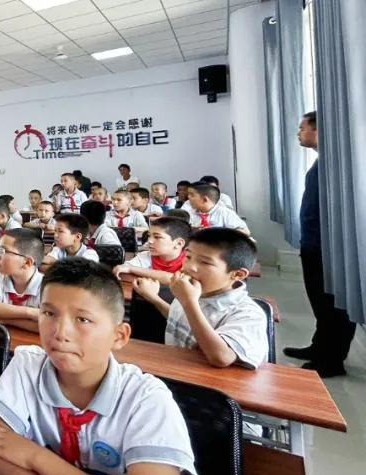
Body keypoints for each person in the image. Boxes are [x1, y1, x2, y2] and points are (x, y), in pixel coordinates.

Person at [0, 259, 196, 475]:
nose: (60, 332)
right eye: (49, 313)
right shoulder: (27, 366)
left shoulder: (147, 401)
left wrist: (35, 456)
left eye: (82, 319)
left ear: (119, 336)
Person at [133, 228, 268, 369]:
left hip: (216, 381)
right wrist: (153, 298)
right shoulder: (191, 293)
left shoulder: (249, 313)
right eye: (188, 257)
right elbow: (180, 318)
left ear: (238, 274)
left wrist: (189, 302)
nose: (190, 267)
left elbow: (222, 357)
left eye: (205, 262)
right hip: (179, 369)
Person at [284, 111, 354, 377]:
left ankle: (332, 360)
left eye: (302, 128)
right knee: (321, 303)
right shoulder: (322, 161)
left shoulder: (335, 163)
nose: (298, 133)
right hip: (315, 245)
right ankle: (319, 347)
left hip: (329, 248)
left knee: (333, 304)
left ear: (319, 129)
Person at [0, 228, 44, 332]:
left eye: (3, 251)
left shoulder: (47, 287)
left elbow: (47, 325)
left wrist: (3, 320)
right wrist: (30, 313)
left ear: (27, 262)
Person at [114, 217, 190, 285]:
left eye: (157, 237)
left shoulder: (190, 261)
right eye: (149, 235)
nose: (149, 241)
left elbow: (177, 281)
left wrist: (132, 269)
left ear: (179, 243)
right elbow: (121, 273)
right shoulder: (145, 256)